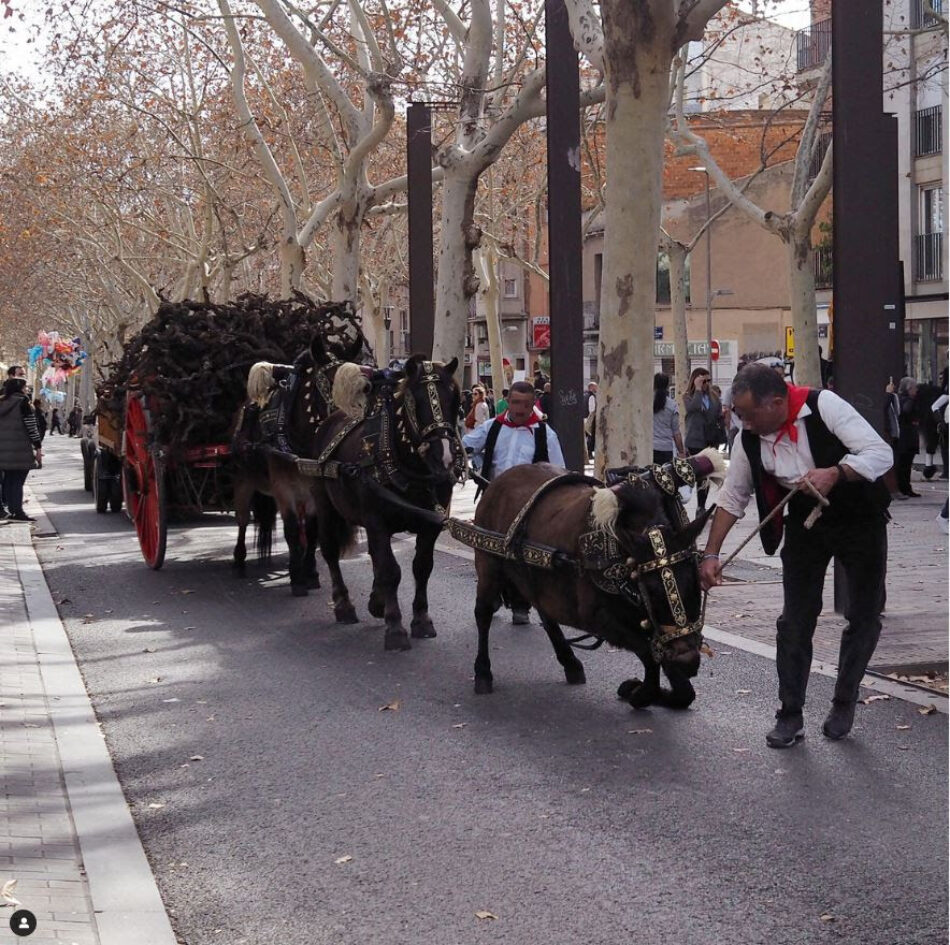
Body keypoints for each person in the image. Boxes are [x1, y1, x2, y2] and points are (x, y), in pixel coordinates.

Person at [699, 364, 893, 748]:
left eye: (750, 415)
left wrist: (837, 472)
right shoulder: (748, 438)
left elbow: (880, 453)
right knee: (794, 620)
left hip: (860, 519)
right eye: (740, 416)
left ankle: (844, 699)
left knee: (864, 615)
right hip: (805, 522)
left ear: (777, 401)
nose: (746, 424)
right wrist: (711, 553)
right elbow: (733, 496)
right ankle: (790, 714)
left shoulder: (826, 407)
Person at [463, 380, 566, 625]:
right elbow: (466, 445)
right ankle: (492, 593)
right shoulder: (492, 427)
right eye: (516, 403)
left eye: (526, 404)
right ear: (508, 402)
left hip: (527, 507)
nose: (520, 409)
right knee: (488, 552)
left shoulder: (545, 434)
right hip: (493, 503)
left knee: (522, 555)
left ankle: (522, 604)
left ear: (533, 405)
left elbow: (559, 470)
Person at [0, 366, 43, 522]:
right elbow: (32, 428)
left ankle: (11, 510)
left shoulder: (2, 402)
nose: (27, 390)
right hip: (20, 449)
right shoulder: (23, 403)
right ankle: (17, 512)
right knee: (18, 481)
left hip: (3, 450)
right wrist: (38, 447)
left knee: (9, 480)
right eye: (25, 387)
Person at [683, 367, 722, 514]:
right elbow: (693, 408)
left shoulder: (713, 397)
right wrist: (698, 389)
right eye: (703, 381)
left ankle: (701, 506)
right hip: (695, 441)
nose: (706, 384)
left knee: (706, 476)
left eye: (708, 381)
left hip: (710, 440)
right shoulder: (688, 396)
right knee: (698, 474)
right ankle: (696, 503)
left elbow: (717, 414)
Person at [895, 377, 920, 497]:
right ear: (909, 389)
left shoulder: (898, 399)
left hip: (905, 436)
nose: (916, 390)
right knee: (905, 464)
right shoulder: (908, 400)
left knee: (905, 464)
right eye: (915, 388)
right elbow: (906, 411)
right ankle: (905, 487)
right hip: (907, 436)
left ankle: (905, 487)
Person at [652, 373, 685, 465]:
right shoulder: (672, 405)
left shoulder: (646, 403)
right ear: (667, 386)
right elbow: (676, 432)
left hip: (650, 448)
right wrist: (681, 451)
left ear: (653, 385)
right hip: (666, 449)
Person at [883, 377, 904, 500]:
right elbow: (882, 408)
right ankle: (890, 489)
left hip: (891, 433)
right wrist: (888, 394)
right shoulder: (884, 398)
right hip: (885, 432)